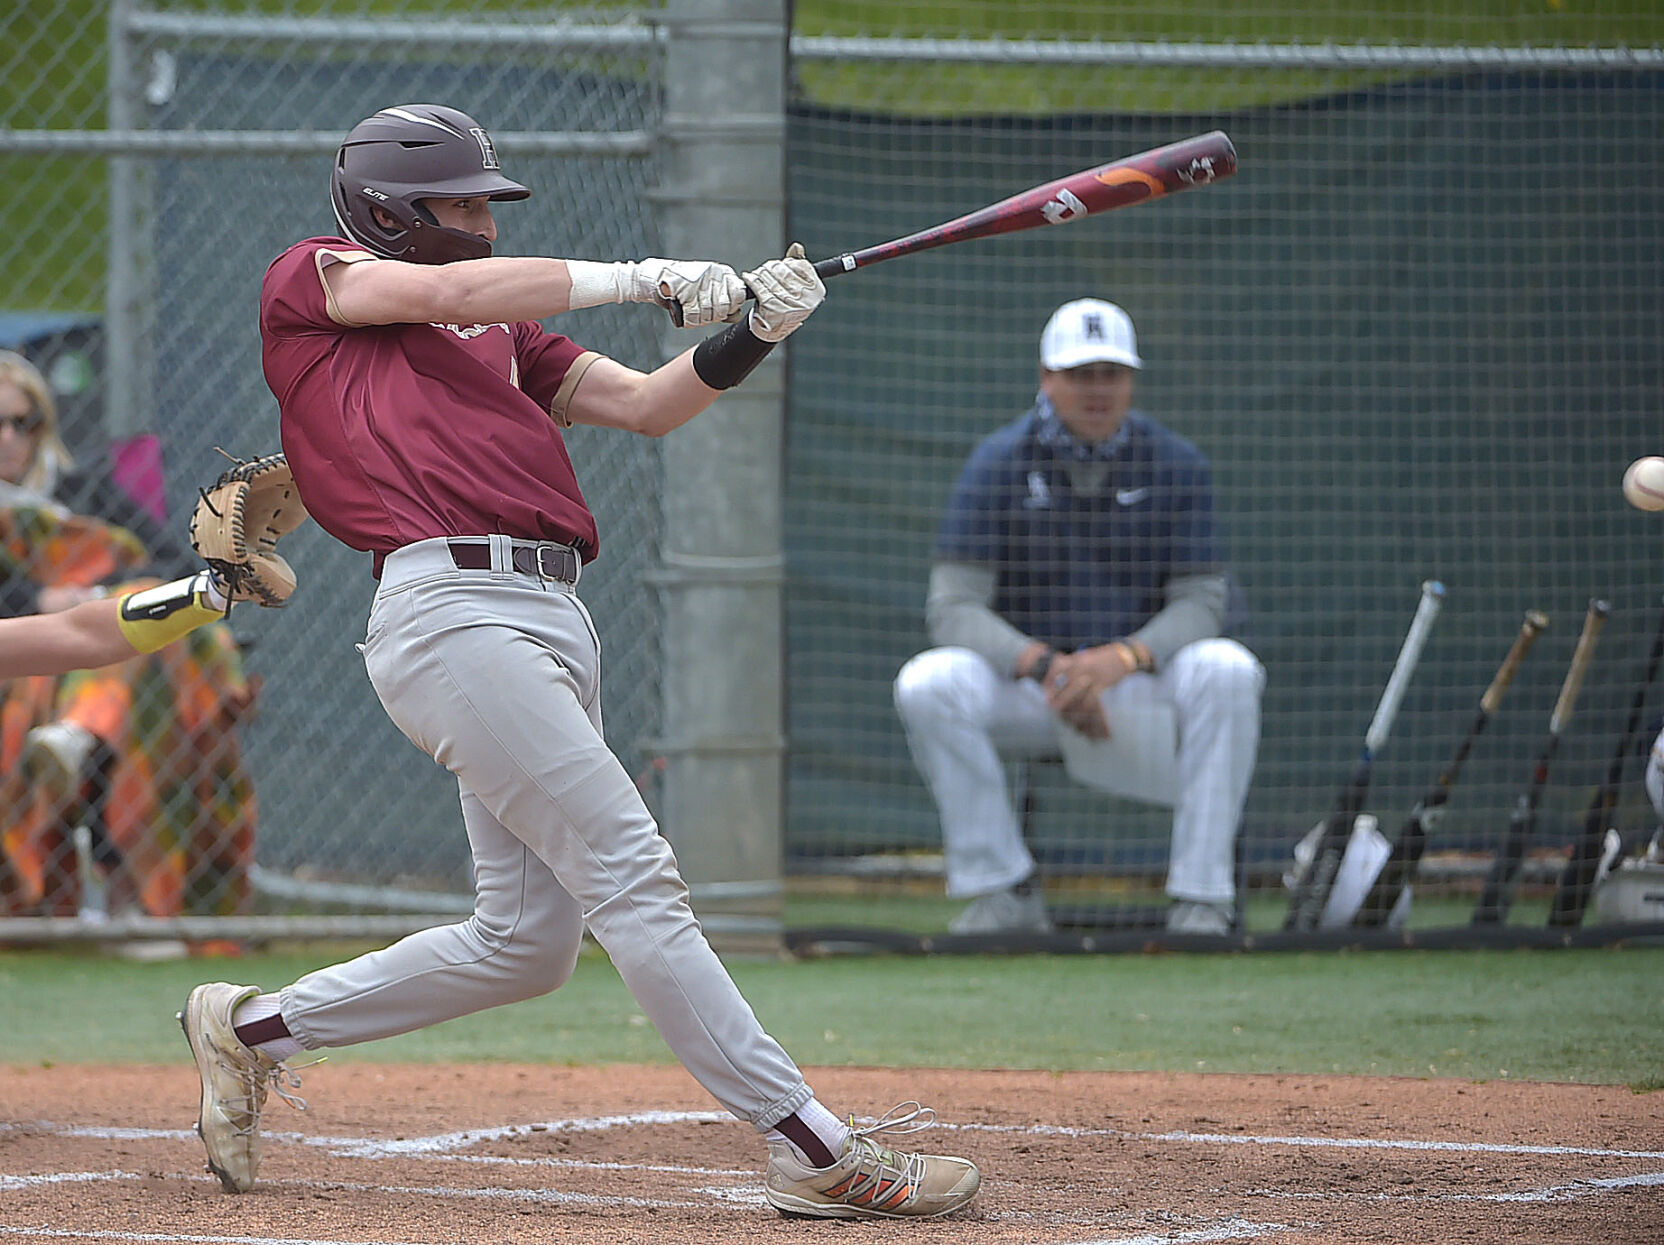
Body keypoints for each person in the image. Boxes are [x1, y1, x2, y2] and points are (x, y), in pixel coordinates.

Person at [179, 103, 980, 1221]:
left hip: (551, 609)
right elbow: (448, 293)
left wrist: (753, 330)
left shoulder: (509, 332)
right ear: (387, 212)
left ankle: (248, 1027)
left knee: (524, 945)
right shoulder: (314, 278)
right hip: (448, 611)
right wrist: (648, 276)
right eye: (455, 205)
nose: (480, 225)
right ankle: (812, 1146)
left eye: (484, 203)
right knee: (631, 876)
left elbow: (650, 407)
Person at [893, 298, 1264, 937]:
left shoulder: (1177, 465)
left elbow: (1205, 604)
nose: (1097, 389)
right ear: (1046, 377)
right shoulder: (997, 463)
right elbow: (952, 609)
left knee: (1229, 668)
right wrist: (1045, 667)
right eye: (1080, 373)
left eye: (1111, 373)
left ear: (1131, 381)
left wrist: (1123, 659)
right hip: (1033, 693)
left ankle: (1203, 901)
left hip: (1140, 688)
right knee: (929, 683)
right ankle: (1004, 892)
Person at [0, 352, 260, 922]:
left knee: (151, 652)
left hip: (109, 654)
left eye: (24, 422)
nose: (9, 438)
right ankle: (137, 899)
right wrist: (40, 602)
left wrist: (91, 596)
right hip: (26, 662)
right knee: (150, 667)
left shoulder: (81, 488)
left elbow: (168, 562)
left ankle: (79, 738)